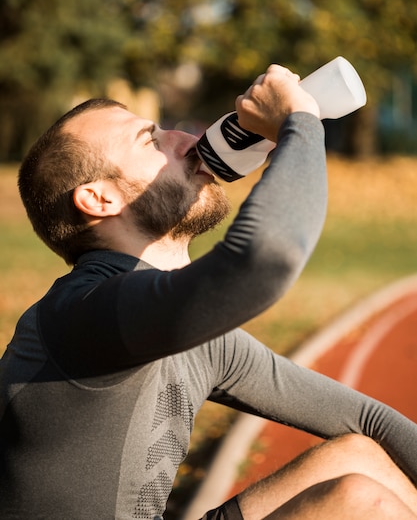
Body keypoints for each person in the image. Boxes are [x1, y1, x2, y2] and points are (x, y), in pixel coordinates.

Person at [1, 64, 417, 520]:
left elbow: (373, 422)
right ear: (99, 199)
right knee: (362, 502)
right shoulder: (81, 313)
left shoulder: (189, 332)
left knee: (360, 457)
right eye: (152, 141)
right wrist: (299, 121)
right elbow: (262, 261)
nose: (185, 139)